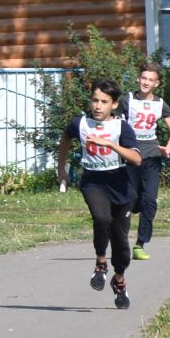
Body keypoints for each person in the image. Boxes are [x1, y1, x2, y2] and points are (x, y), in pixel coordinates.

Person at [57, 77, 144, 309]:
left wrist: (112, 145)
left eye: (104, 101)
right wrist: (61, 169)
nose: (98, 106)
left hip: (120, 184)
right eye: (95, 100)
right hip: (94, 181)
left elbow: (136, 158)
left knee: (122, 246)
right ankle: (100, 264)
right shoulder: (80, 123)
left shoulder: (121, 127)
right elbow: (65, 138)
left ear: (113, 104)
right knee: (101, 217)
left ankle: (119, 281)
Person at [121, 62, 170, 259]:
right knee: (131, 201)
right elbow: (116, 126)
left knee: (150, 201)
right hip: (131, 156)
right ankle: (120, 241)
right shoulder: (126, 100)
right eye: (143, 78)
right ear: (138, 79)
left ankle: (140, 244)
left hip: (153, 157)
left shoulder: (160, 104)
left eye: (151, 80)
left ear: (157, 83)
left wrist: (167, 149)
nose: (146, 82)